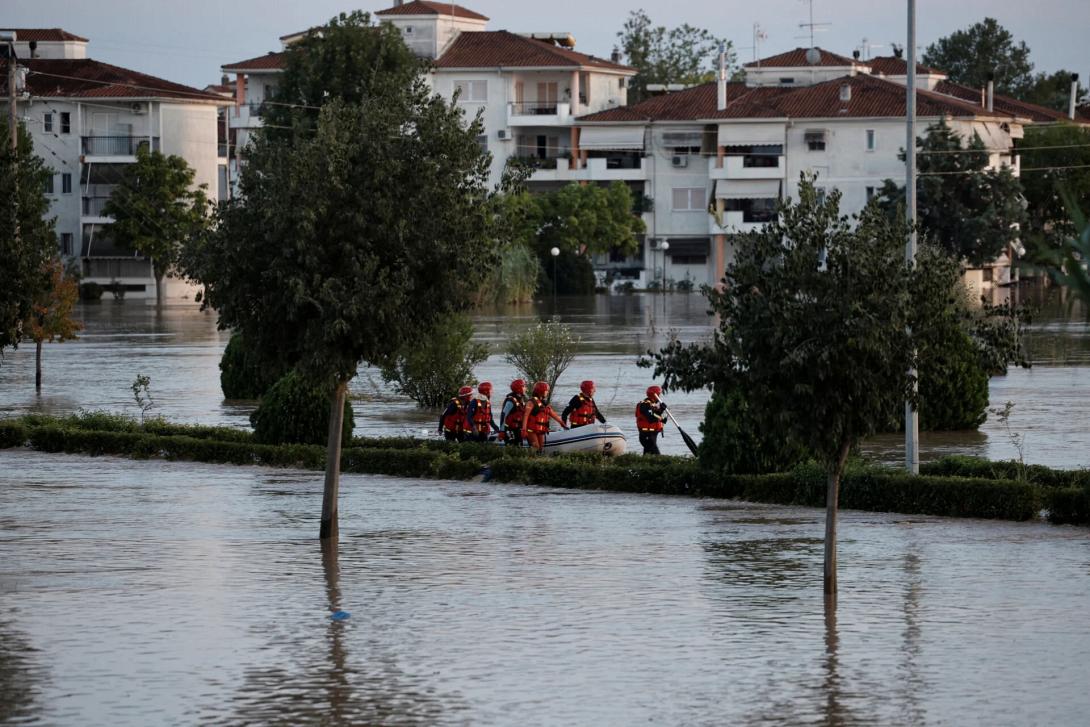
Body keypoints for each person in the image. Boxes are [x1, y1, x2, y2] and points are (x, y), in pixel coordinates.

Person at [522, 381, 566, 453]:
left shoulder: (544, 403)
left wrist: (561, 423)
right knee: (536, 446)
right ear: (541, 391)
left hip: (540, 430)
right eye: (546, 391)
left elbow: (552, 414)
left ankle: (538, 460)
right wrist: (524, 430)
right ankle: (531, 460)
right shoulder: (531, 402)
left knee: (541, 448)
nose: (547, 392)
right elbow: (525, 416)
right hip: (531, 430)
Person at [635, 385, 667, 455]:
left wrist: (661, 410)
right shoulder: (645, 405)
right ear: (655, 395)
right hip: (646, 435)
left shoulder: (652, 405)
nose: (660, 396)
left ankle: (643, 464)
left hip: (652, 434)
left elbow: (656, 415)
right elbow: (651, 418)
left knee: (647, 454)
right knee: (656, 454)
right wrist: (661, 414)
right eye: (659, 394)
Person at [501, 379, 527, 445]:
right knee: (512, 446)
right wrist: (502, 431)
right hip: (510, 429)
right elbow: (503, 415)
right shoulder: (511, 401)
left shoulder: (521, 399)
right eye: (524, 386)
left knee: (519, 445)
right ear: (519, 389)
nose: (525, 388)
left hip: (518, 429)